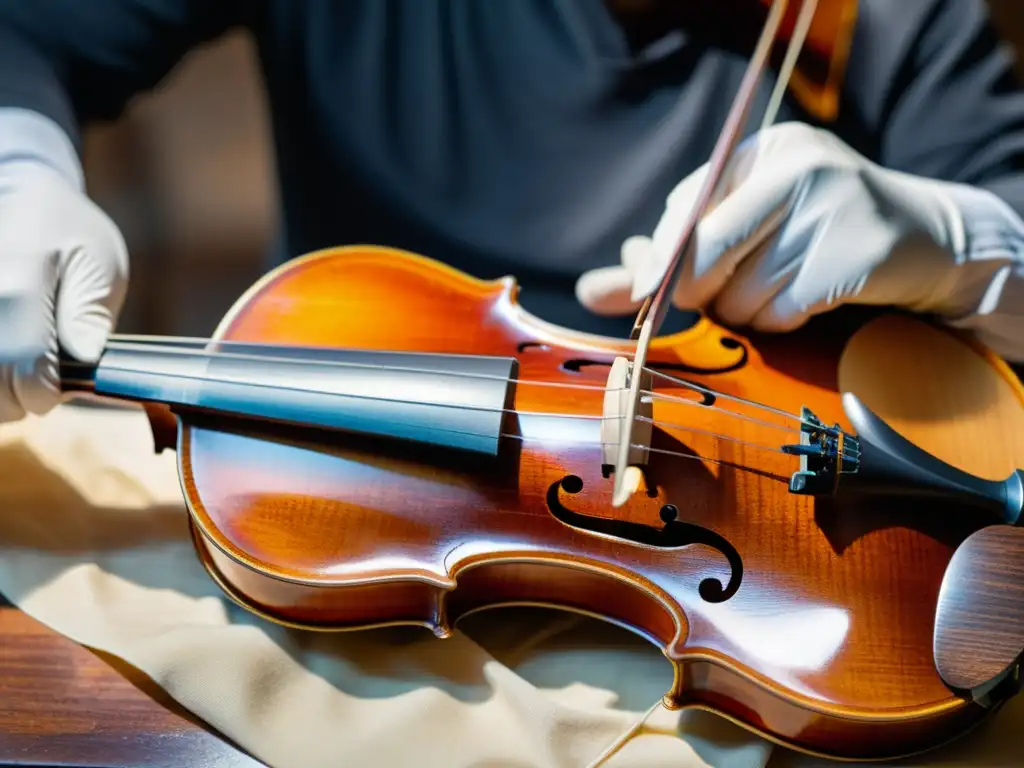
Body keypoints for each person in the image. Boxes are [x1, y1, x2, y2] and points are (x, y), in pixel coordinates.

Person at [0, 0, 1023, 425]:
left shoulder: (873, 14)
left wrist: (966, 250)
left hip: (749, 542)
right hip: (350, 475)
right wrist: (20, 168)